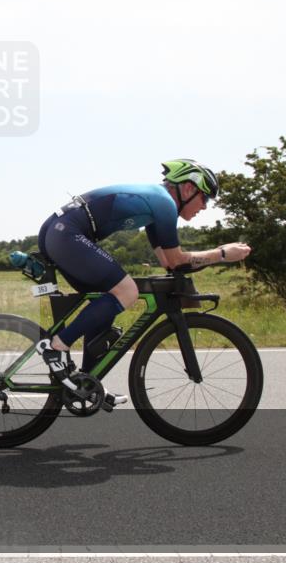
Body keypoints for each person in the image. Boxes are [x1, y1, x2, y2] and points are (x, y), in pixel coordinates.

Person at [34, 159, 252, 405]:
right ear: (189, 189)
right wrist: (222, 254)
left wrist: (213, 257)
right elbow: (177, 258)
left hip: (58, 231)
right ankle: (56, 347)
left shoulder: (158, 206)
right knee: (127, 291)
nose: (205, 206)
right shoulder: (164, 204)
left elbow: (172, 264)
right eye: (206, 198)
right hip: (66, 233)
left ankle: (86, 382)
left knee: (105, 301)